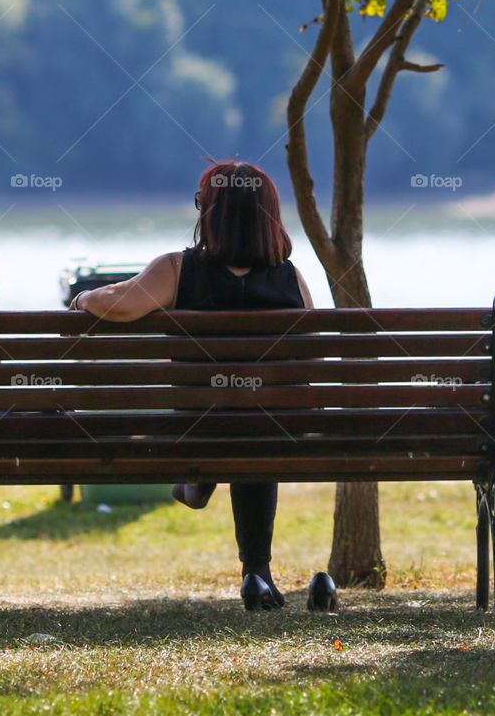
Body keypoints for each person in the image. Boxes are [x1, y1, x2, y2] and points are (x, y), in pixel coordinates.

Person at [70, 160, 313, 610]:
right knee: (253, 424)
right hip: (273, 430)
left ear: (209, 212)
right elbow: (308, 355)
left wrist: (83, 296)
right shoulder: (290, 278)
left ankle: (199, 476)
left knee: (233, 423)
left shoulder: (179, 270)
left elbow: (120, 307)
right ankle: (256, 572)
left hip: (197, 427)